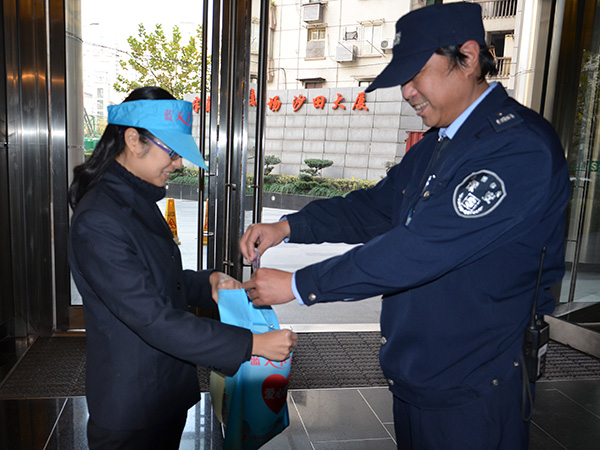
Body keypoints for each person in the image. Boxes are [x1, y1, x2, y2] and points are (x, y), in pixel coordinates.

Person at [240, 3, 570, 449]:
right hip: (423, 375)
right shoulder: (439, 142)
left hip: (475, 384)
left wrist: (300, 285)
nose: (407, 92)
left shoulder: (516, 148)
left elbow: (420, 248)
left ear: (468, 57)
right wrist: (289, 227)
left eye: (416, 74)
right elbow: (375, 209)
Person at [68, 86, 297, 450]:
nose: (178, 165)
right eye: (173, 152)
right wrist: (253, 344)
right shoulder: (99, 219)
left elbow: (158, 282)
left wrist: (210, 283)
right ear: (133, 140)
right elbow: (152, 318)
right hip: (131, 406)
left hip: (161, 391)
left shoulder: (135, 198)